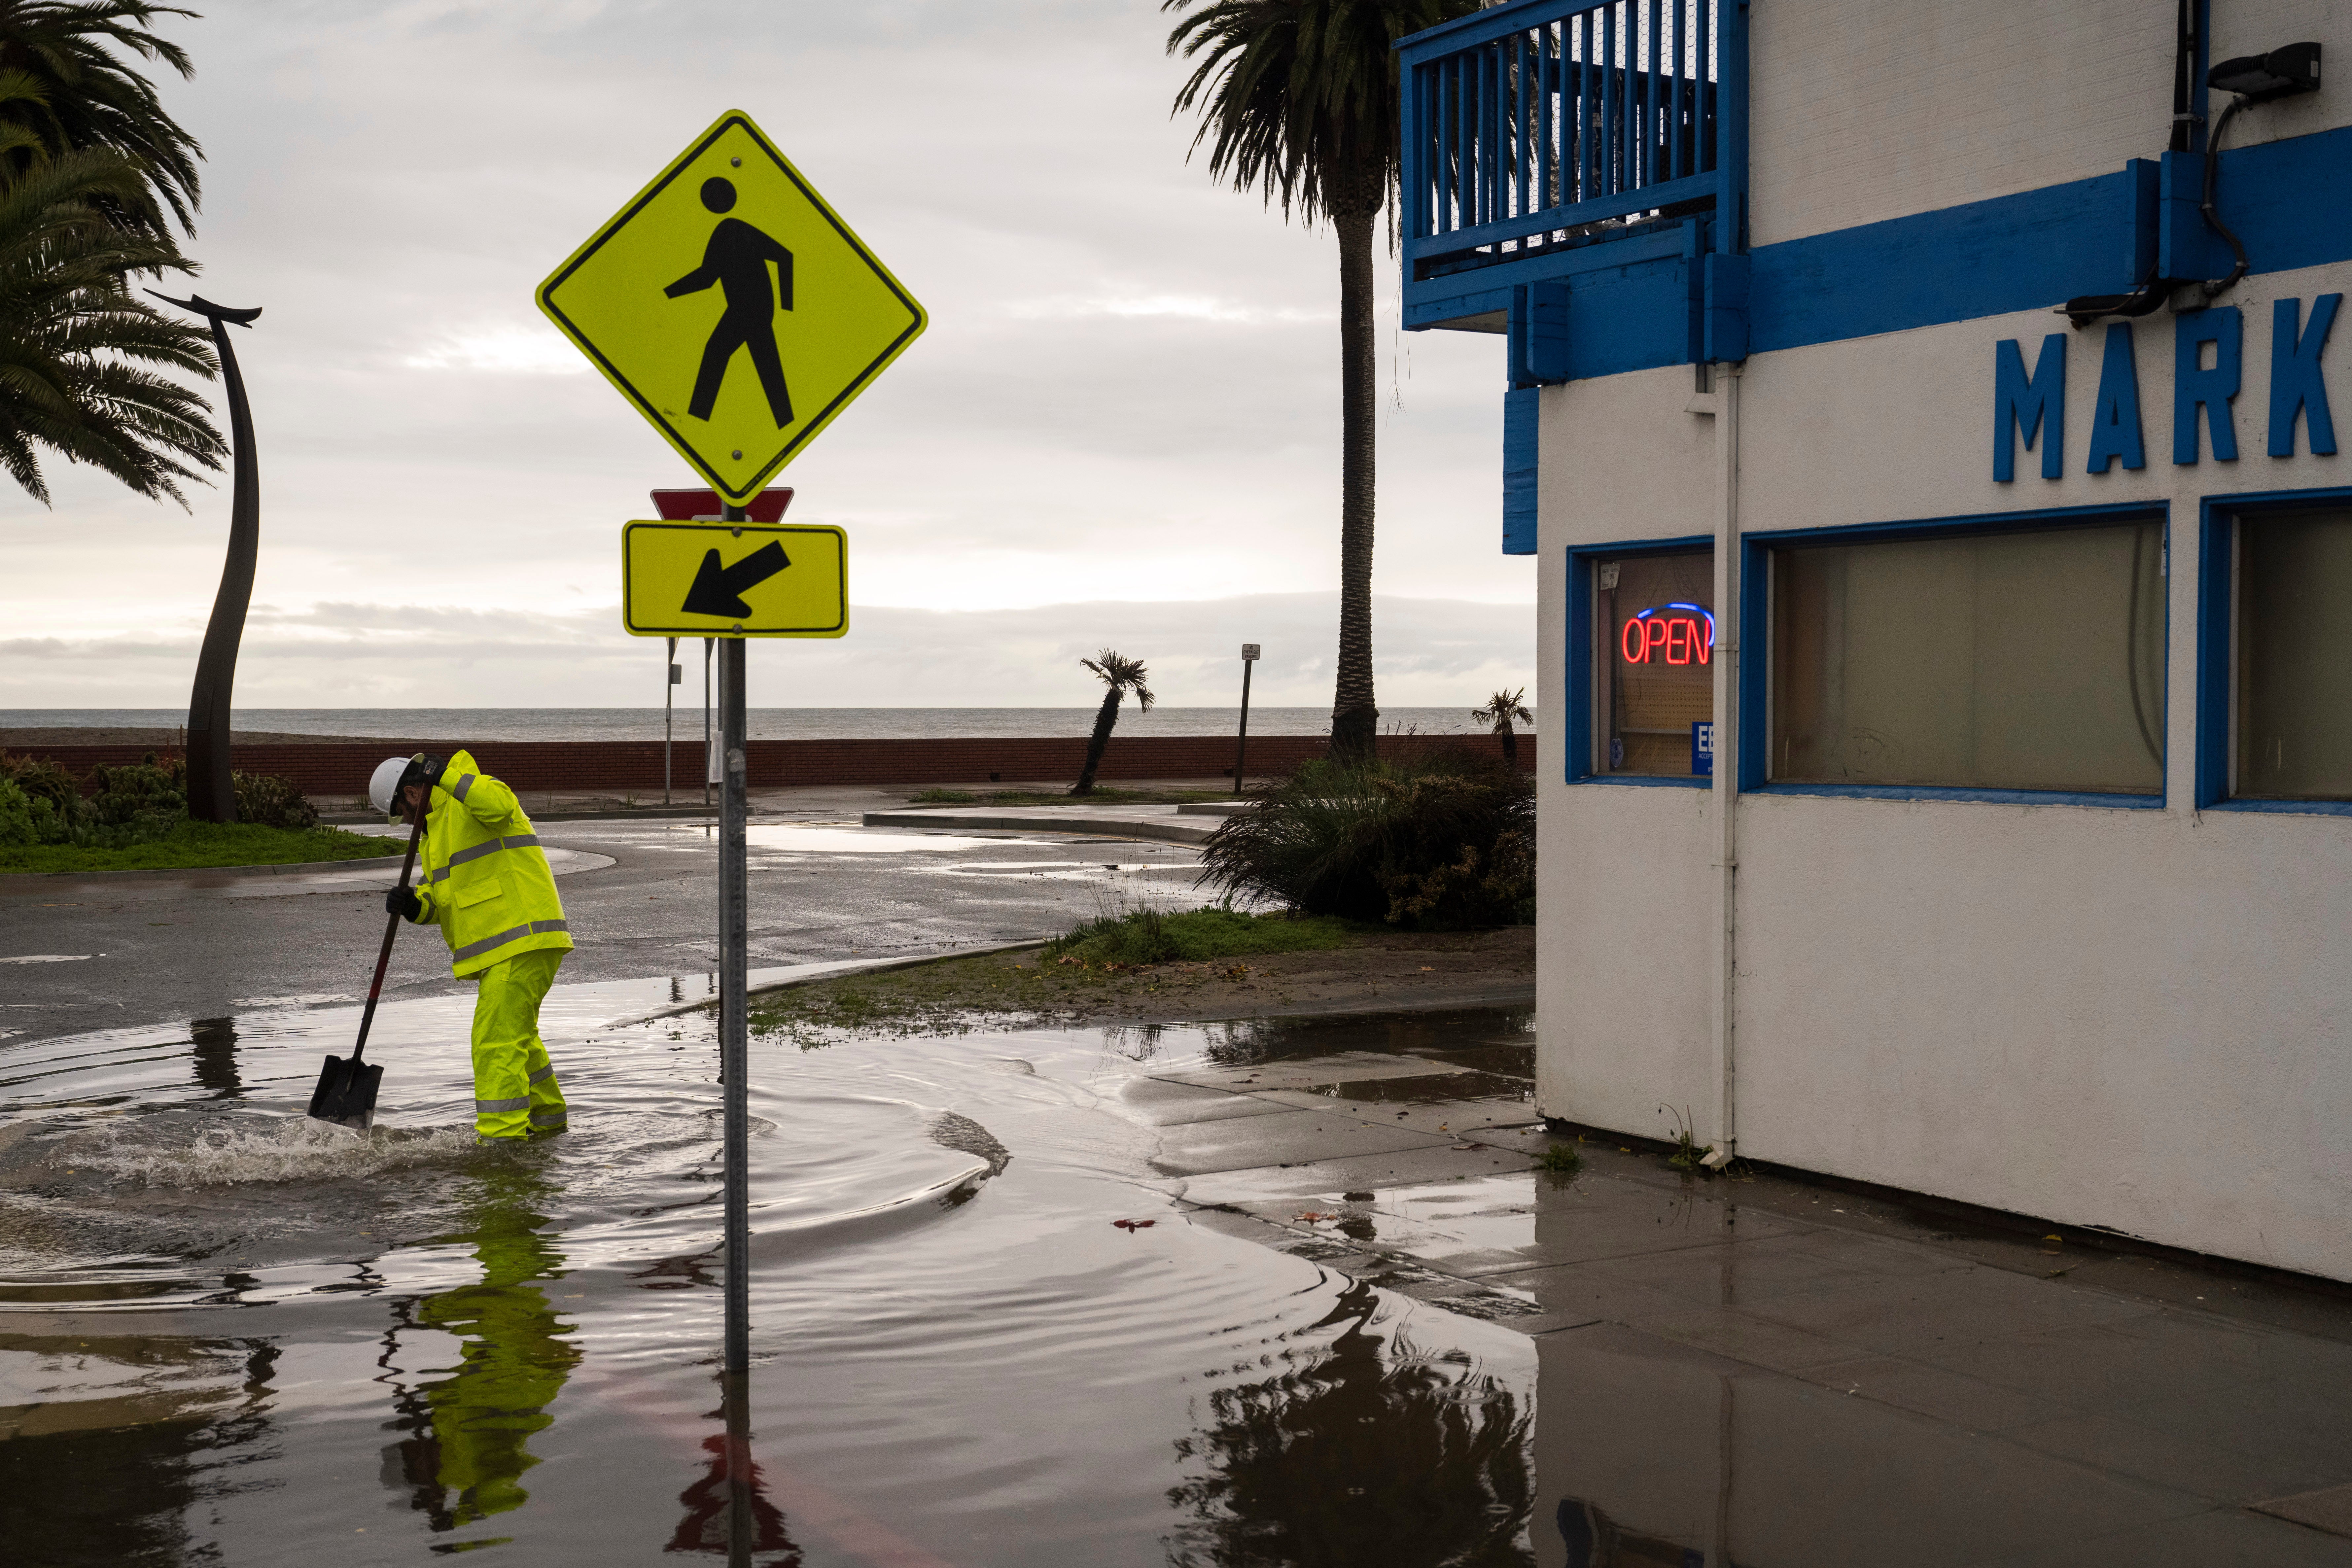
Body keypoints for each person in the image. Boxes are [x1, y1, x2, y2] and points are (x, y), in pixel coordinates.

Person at [368, 751, 571, 1141]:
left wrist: (444, 777)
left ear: (413, 793)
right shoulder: (436, 833)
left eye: (402, 813)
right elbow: (440, 901)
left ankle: (501, 1143)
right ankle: (547, 1122)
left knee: (494, 1041)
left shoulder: (471, 797)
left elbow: (500, 805)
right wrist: (414, 906)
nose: (407, 823)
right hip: (507, 945)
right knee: (517, 1038)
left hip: (520, 937)